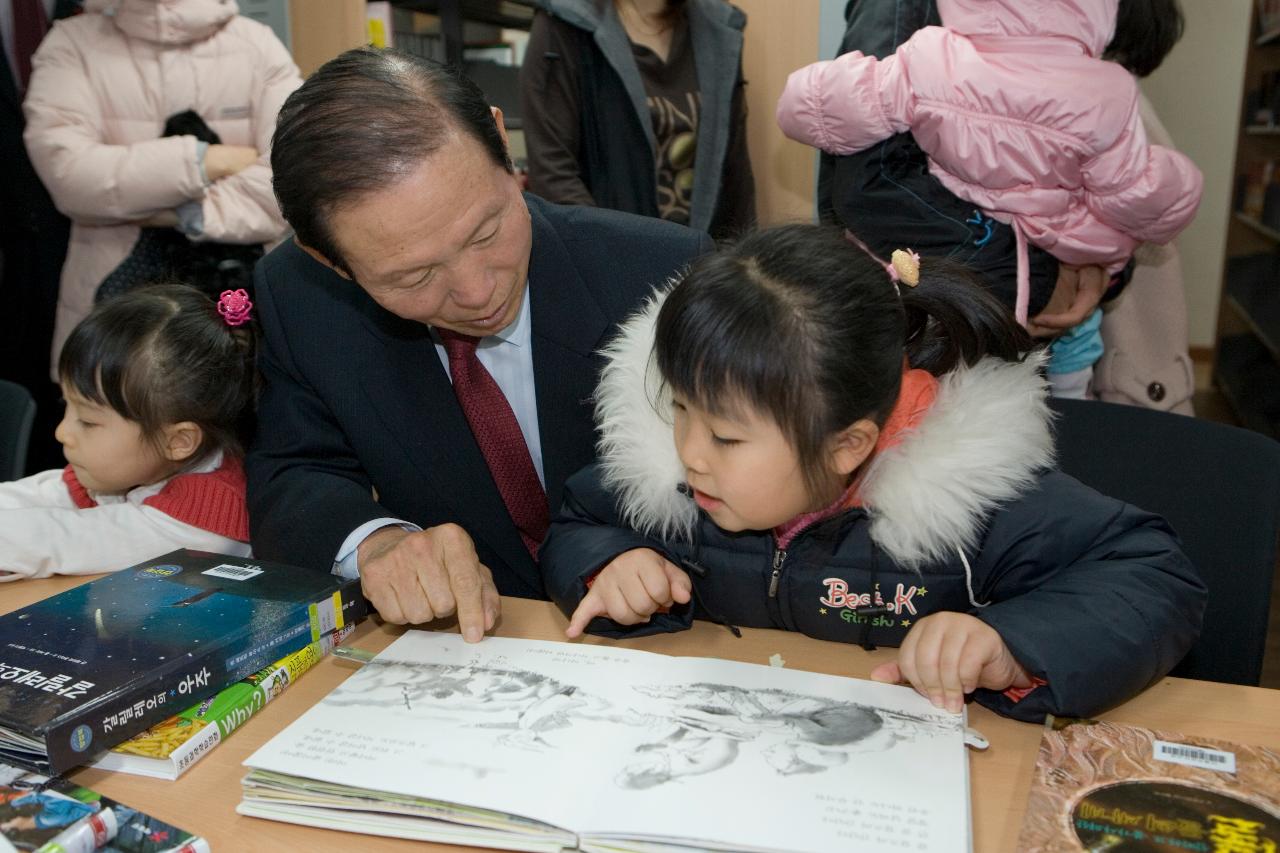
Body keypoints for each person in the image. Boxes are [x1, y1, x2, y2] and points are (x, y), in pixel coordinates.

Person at [539, 225, 1206, 722]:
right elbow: (580, 519)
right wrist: (609, 561)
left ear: (849, 444)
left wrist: (1012, 642)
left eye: (726, 435)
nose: (690, 452)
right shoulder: (672, 482)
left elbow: (1155, 576)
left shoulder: (965, 499)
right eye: (681, 409)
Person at [245, 48, 713, 641]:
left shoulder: (664, 273)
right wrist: (380, 544)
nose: (477, 291)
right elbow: (295, 468)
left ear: (500, 139)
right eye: (413, 277)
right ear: (329, 262)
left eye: (487, 231)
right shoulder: (300, 297)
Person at [776, 0, 1202, 398]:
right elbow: (872, 189)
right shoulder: (1104, 95)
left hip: (973, 318)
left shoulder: (930, 59)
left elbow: (818, 106)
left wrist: (1103, 273)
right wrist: (1055, 277)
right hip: (952, 319)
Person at [21, 0, 300, 381]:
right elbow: (72, 177)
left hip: (245, 312)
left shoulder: (257, 46)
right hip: (113, 316)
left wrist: (177, 211)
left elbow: (290, 182)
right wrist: (207, 160)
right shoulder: (71, 45)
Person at [0, 285, 255, 579]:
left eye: (87, 420)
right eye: (65, 405)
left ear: (179, 441)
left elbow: (62, 539)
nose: (61, 432)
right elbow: (46, 494)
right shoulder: (136, 466)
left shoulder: (203, 526)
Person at [519, 0, 755, 239]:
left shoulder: (718, 28)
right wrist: (617, 256)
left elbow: (735, 178)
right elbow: (553, 173)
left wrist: (732, 265)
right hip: (608, 257)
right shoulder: (563, 23)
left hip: (703, 263)